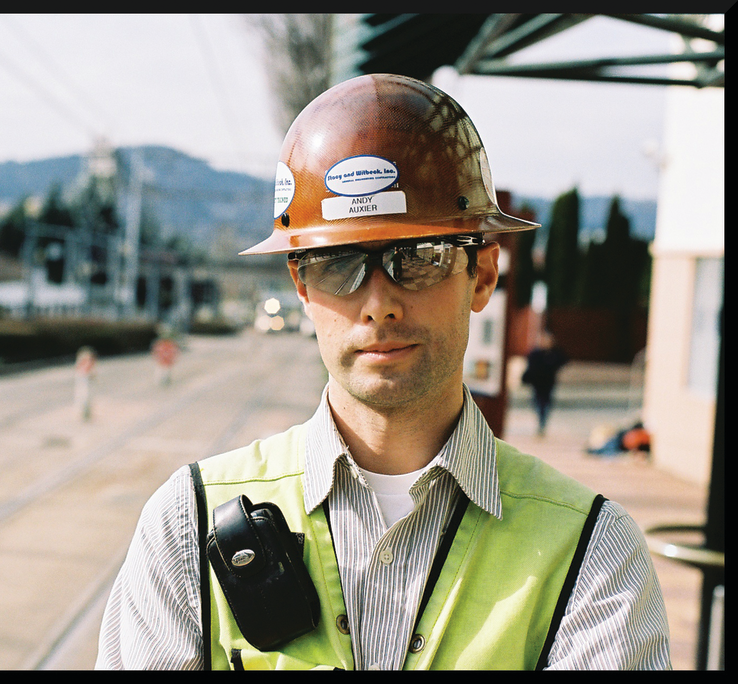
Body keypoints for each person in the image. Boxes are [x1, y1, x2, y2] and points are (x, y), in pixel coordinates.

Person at [96, 74, 670, 670]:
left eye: (417, 258)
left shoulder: (593, 556)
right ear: (301, 284)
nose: (378, 304)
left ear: (481, 275)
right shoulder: (186, 529)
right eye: (336, 262)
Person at [523, 330, 568, 436]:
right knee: (537, 402)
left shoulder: (554, 353)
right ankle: (540, 420)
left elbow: (563, 360)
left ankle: (542, 423)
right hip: (537, 382)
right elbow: (530, 365)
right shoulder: (535, 353)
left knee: (545, 403)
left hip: (548, 382)